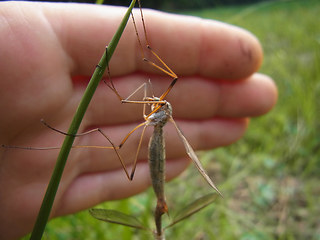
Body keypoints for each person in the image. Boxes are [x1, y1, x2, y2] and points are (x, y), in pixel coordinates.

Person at [0, 1, 277, 239]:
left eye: (159, 103)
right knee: (126, 127)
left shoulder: (157, 114)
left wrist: (113, 83)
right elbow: (140, 98)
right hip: (155, 130)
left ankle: (53, 143)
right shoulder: (157, 110)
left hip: (157, 150)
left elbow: (135, 102)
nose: (156, 100)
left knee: (115, 144)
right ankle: (137, 24)